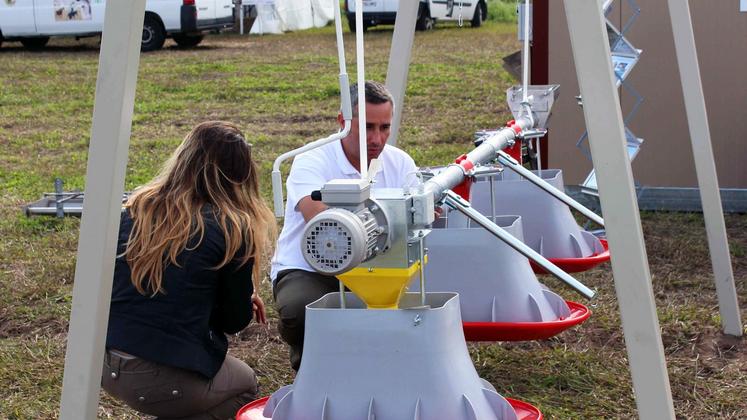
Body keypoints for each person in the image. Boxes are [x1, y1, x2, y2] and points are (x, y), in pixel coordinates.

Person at [102, 121, 276, 420]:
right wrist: (243, 297)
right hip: (158, 375)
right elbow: (233, 321)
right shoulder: (232, 228)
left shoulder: (134, 209)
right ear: (242, 175)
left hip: (104, 362)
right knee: (244, 385)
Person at [271, 81, 420, 371]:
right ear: (342, 121)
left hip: (381, 267)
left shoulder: (400, 163)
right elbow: (323, 224)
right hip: (313, 267)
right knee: (301, 310)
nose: (377, 138)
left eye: (385, 127)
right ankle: (313, 370)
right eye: (367, 127)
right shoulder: (312, 160)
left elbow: (417, 222)